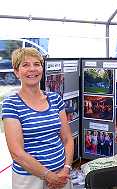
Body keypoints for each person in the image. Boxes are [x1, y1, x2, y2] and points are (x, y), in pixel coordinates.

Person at [2, 47, 74, 189]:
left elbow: (67, 139)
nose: (32, 69)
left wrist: (66, 168)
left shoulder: (55, 98)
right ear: (16, 72)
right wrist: (48, 176)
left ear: (42, 68)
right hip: (29, 180)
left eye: (37, 64)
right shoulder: (11, 104)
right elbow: (17, 153)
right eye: (25, 65)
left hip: (61, 175)